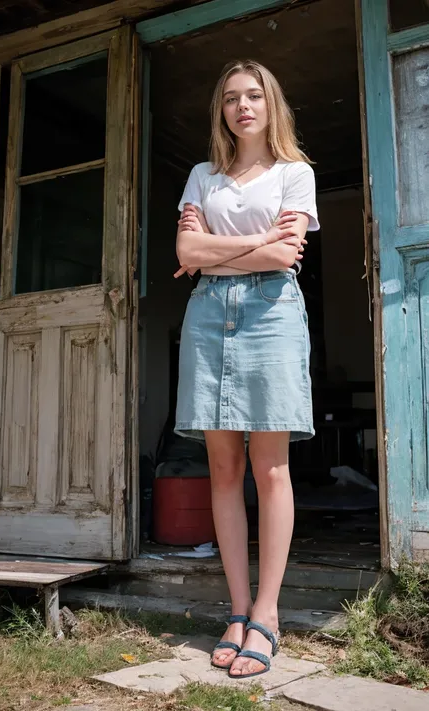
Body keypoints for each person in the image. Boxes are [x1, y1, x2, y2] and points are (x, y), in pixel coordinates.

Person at [173, 59, 320, 679]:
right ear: (222, 110)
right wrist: (249, 246)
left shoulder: (295, 173)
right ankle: (237, 611)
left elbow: (288, 253)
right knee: (223, 468)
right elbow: (186, 252)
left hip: (271, 313)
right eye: (231, 97)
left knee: (271, 467)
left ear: (271, 103)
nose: (243, 106)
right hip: (207, 317)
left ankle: (267, 612)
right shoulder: (202, 176)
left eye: (254, 95)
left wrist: (217, 251)